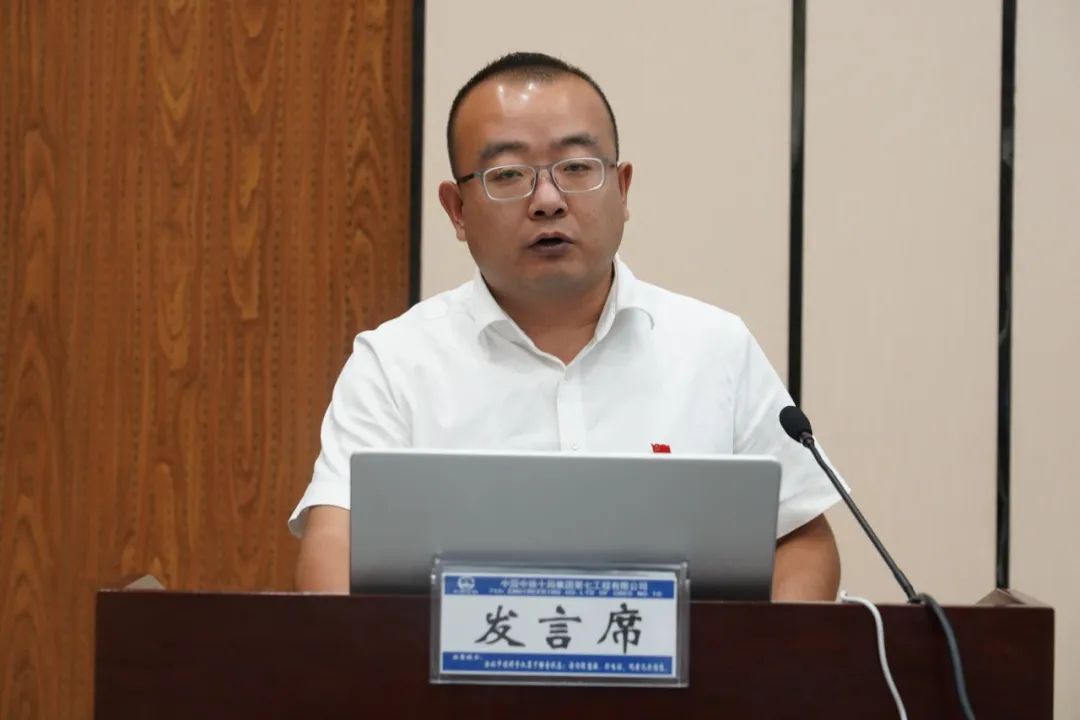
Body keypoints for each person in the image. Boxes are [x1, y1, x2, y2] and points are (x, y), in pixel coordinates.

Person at [290, 52, 842, 600]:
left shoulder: (715, 349)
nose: (548, 201)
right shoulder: (395, 362)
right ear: (456, 209)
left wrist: (757, 655)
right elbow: (335, 545)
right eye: (508, 174)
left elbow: (801, 540)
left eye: (577, 168)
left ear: (622, 189)